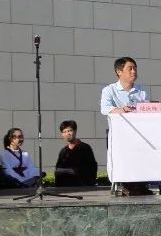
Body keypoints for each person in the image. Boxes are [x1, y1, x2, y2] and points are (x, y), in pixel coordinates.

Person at [100, 56, 153, 196]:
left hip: (139, 132)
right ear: (119, 71)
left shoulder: (141, 90)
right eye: (130, 68)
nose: (134, 71)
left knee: (144, 154)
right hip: (120, 134)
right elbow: (104, 108)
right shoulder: (109, 90)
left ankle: (141, 185)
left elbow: (147, 109)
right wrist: (121, 110)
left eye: (135, 68)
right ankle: (128, 186)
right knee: (124, 156)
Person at [54, 120, 97, 187]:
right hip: (65, 189)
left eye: (69, 131)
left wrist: (76, 171)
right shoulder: (63, 151)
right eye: (64, 132)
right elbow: (58, 169)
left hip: (82, 187)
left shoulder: (85, 148)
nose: (67, 134)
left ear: (75, 131)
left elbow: (92, 168)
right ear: (62, 135)